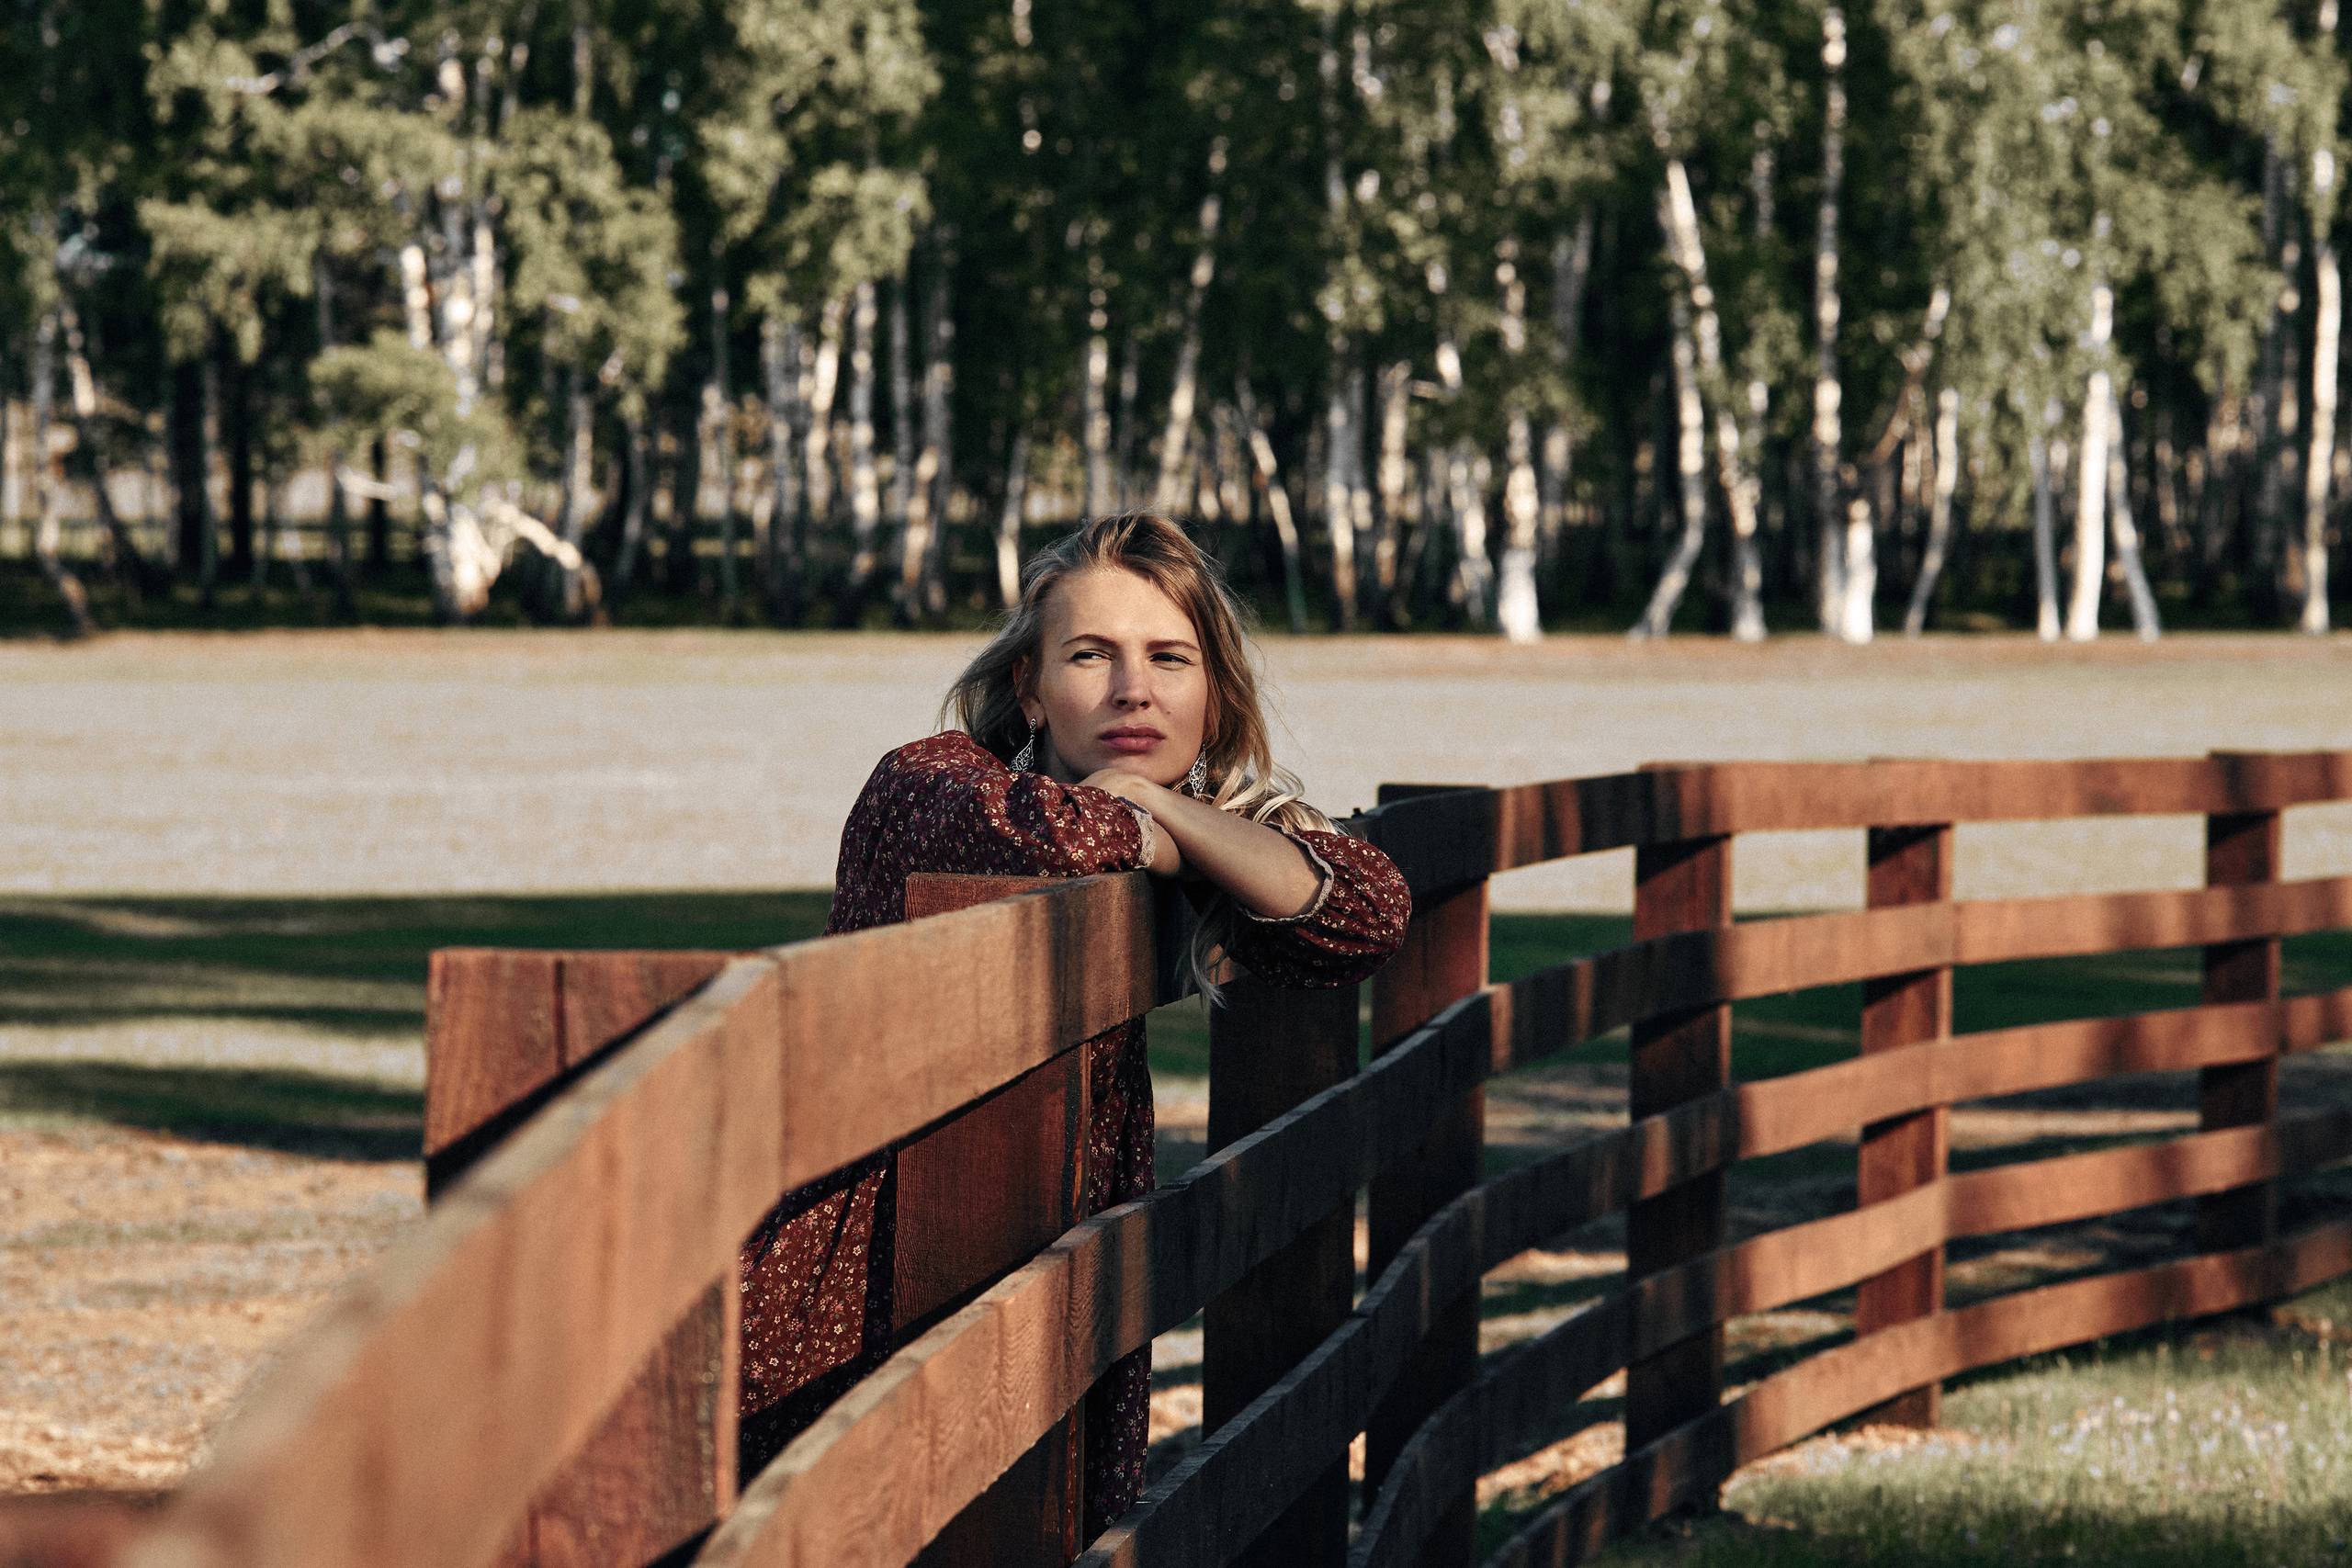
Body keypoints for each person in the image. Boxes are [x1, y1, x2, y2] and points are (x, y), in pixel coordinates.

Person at [737, 512, 1410, 1537]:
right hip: (846, 1272)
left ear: (1213, 691)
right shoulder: (931, 783)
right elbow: (1064, 832)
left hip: (1051, 1249)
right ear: (1029, 685)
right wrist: (1187, 827)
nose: (1132, 689)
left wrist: (1169, 812)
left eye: (1168, 658)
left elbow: (1364, 914)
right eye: (1089, 655)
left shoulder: (1175, 812)